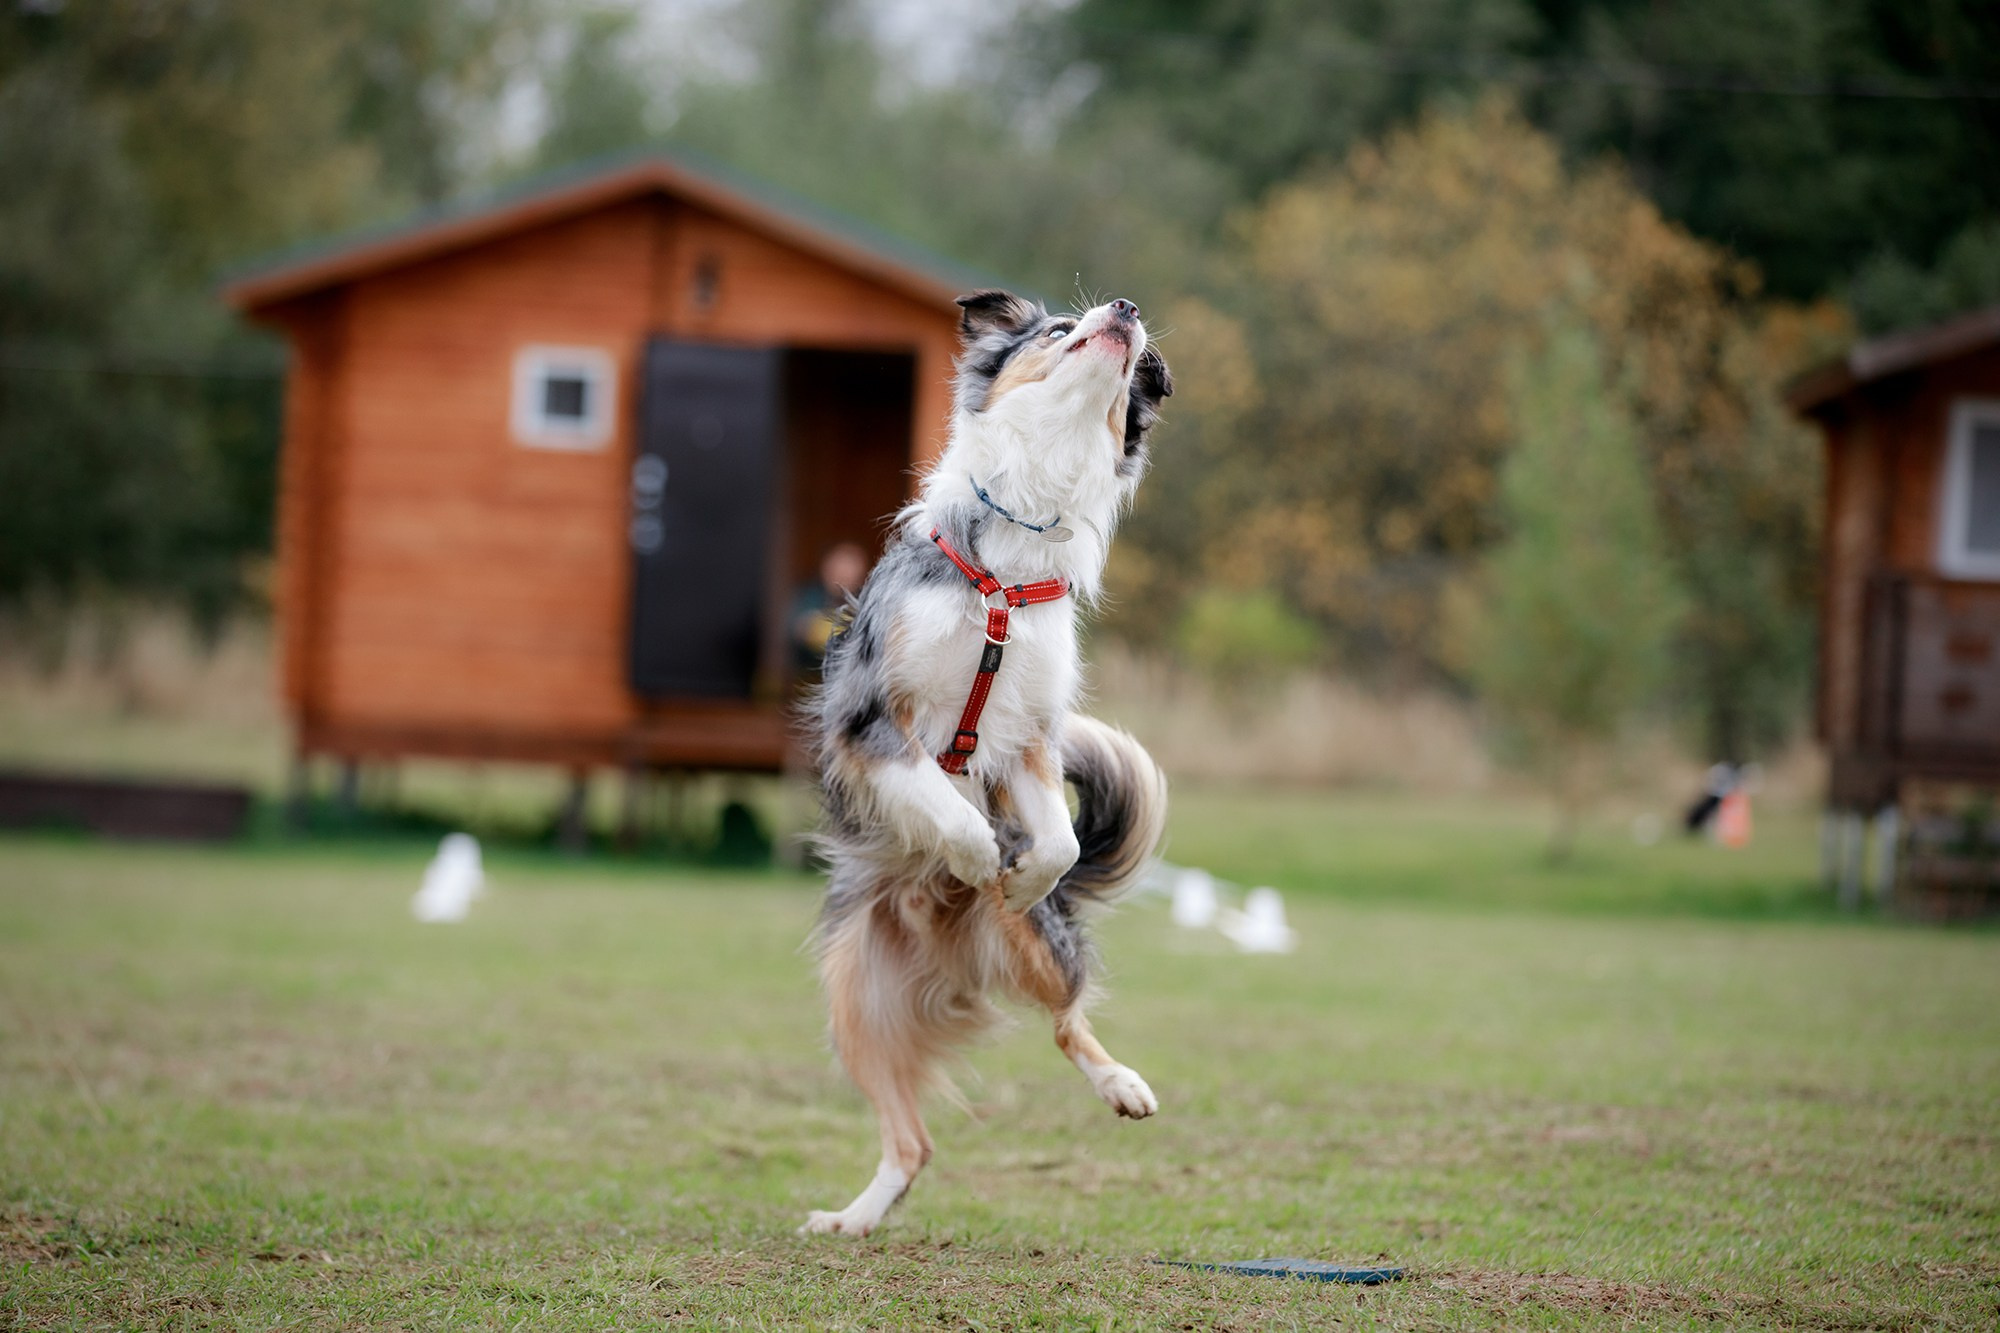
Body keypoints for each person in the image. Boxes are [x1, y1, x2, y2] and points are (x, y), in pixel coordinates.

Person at [791, 541, 869, 676]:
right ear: (826, 569)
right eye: (839, 569)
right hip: (807, 676)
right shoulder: (811, 597)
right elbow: (797, 628)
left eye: (849, 572)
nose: (843, 577)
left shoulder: (864, 604)